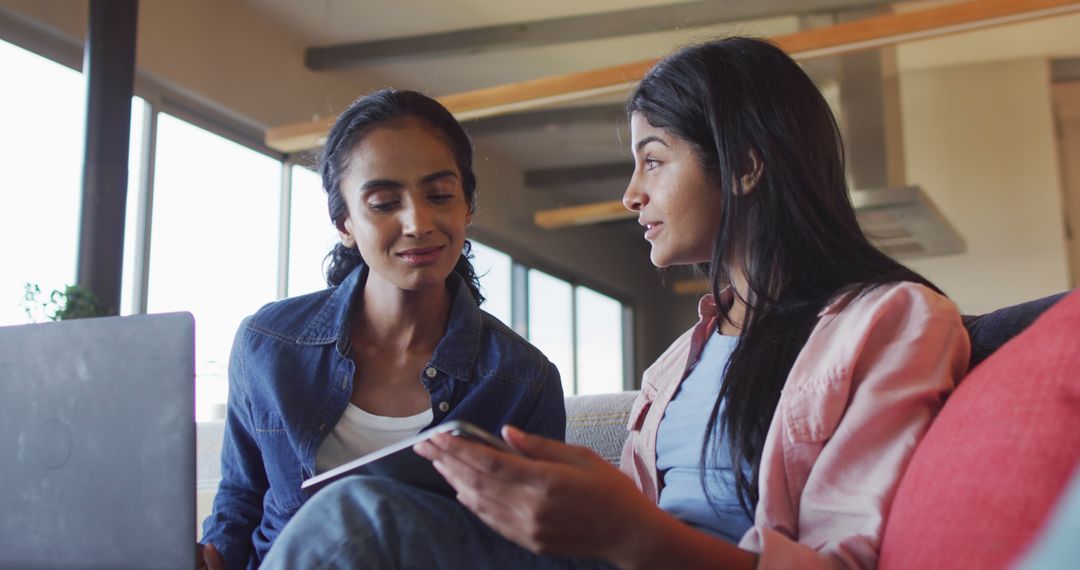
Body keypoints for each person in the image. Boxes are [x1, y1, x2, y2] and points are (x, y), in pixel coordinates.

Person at [261, 37, 970, 570]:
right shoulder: (674, 368)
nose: (631, 193)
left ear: (747, 165)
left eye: (653, 159)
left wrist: (629, 529)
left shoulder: (891, 322)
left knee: (360, 520)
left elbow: (846, 558)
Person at [197, 89, 565, 570]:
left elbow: (525, 547)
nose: (417, 222)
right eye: (384, 202)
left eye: (439, 196)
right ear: (344, 222)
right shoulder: (268, 345)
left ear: (467, 206)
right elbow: (241, 502)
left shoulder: (523, 380)